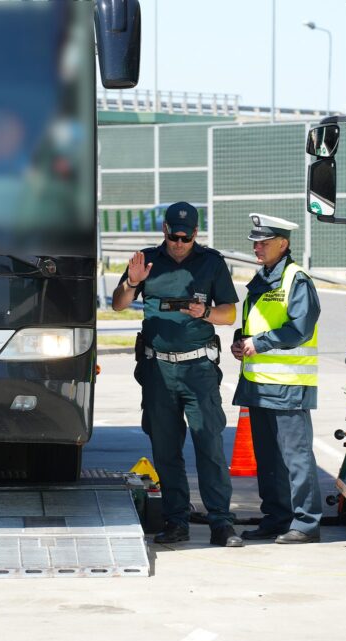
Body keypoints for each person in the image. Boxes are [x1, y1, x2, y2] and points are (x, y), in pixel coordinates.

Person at [112, 201, 243, 547]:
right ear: (165, 230)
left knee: (209, 445)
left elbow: (230, 313)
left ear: (196, 233)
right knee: (166, 449)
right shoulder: (146, 260)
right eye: (174, 237)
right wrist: (131, 282)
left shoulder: (211, 262)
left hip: (198, 368)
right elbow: (118, 304)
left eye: (186, 238)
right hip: (158, 370)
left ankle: (221, 523)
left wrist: (206, 313)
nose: (180, 243)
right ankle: (176, 521)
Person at [230, 213, 323, 544]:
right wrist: (241, 341)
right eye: (255, 243)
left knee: (296, 457)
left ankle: (306, 523)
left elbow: (300, 329)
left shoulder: (296, 280)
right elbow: (254, 322)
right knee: (269, 458)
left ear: (283, 244)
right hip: (258, 384)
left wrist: (260, 343)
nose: (257, 248)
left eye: (264, 243)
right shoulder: (262, 278)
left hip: (288, 384)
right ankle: (277, 517)